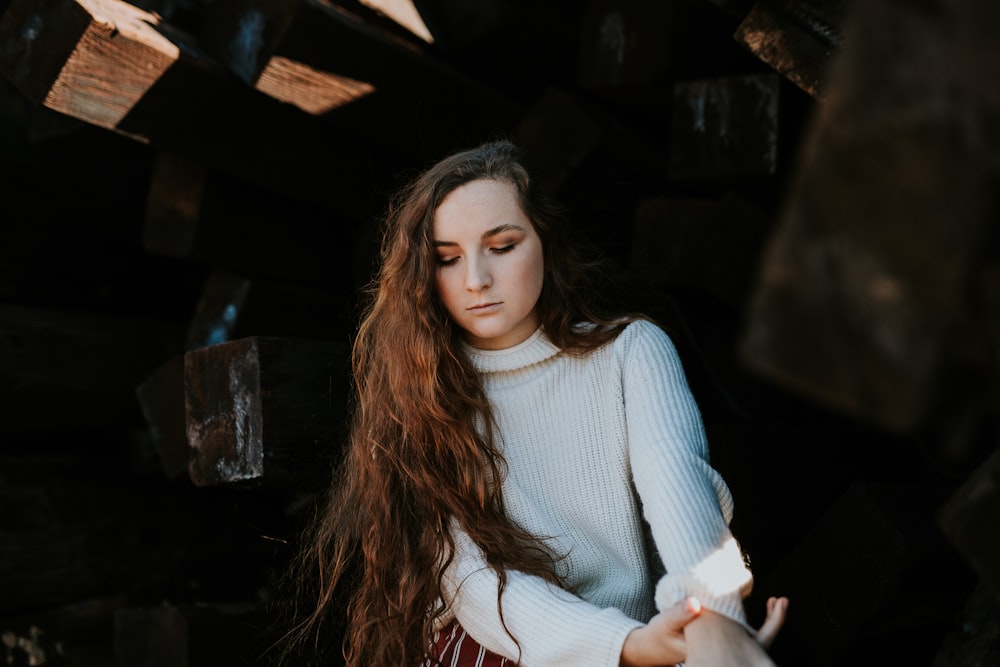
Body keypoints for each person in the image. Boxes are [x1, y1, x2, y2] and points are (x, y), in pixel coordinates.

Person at [272, 139, 788, 667]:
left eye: (502, 246)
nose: (476, 280)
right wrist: (628, 647)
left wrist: (714, 621)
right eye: (447, 259)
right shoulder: (422, 392)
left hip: (647, 633)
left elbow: (677, 481)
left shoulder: (630, 349)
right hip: (500, 643)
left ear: (544, 241)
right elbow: (479, 583)